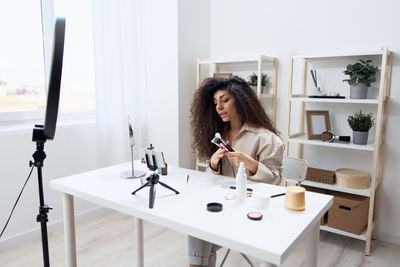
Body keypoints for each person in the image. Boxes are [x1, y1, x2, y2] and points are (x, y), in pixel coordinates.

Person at [188, 76, 284, 267]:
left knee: (202, 238)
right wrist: (213, 165)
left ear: (241, 100)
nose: (218, 107)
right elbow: (211, 182)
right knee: (196, 229)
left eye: (224, 100)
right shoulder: (219, 136)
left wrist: (250, 163)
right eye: (215, 102)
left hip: (253, 211)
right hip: (225, 208)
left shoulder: (266, 139)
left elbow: (275, 182)